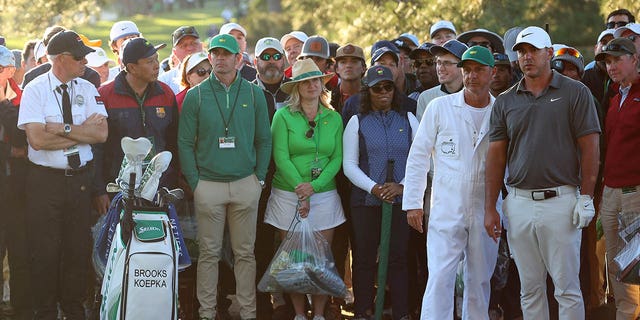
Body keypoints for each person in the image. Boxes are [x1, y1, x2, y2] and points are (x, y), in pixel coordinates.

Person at [484, 26, 600, 320]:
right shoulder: (506, 101)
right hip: (519, 202)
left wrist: (586, 196)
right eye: (522, 52)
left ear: (549, 53)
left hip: (561, 201)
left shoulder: (576, 92)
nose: (527, 57)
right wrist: (491, 207)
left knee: (566, 288)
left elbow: (590, 148)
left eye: (533, 50)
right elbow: (496, 157)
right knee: (530, 288)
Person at [178, 34, 271, 320]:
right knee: (208, 254)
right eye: (215, 53)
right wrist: (196, 183)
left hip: (246, 183)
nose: (219, 58)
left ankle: (248, 312)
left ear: (238, 59)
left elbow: (264, 140)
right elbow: (184, 142)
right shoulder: (196, 95)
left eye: (225, 53)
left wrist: (259, 180)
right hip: (209, 185)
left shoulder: (254, 94)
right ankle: (206, 313)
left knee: (245, 254)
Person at [17, 30, 108, 320]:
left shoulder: (87, 87)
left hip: (80, 180)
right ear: (61, 59)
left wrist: (61, 128)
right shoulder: (35, 89)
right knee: (44, 252)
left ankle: (73, 311)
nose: (86, 62)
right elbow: (37, 140)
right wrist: (83, 135)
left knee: (77, 249)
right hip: (45, 182)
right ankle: (44, 312)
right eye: (80, 57)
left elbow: (102, 133)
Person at [403, 46, 499, 319]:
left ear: (492, 72)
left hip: (486, 203)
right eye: (467, 70)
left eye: (479, 70)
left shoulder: (502, 110)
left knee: (479, 279)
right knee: (440, 277)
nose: (472, 76)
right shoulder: (439, 107)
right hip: (446, 204)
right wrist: (413, 203)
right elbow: (418, 156)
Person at [264, 58, 344, 320]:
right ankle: (299, 313)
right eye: (305, 81)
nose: (312, 85)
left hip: (324, 195)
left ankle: (319, 313)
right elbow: (280, 157)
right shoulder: (283, 116)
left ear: (323, 85)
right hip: (288, 195)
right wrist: (301, 189)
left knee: (320, 258)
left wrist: (315, 186)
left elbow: (337, 159)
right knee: (294, 259)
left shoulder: (333, 118)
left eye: (316, 80)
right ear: (296, 87)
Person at [343, 65, 417, 320]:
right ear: (368, 91)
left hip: (400, 200)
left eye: (388, 87)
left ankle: (401, 312)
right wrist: (373, 187)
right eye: (377, 88)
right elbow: (349, 165)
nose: (383, 92)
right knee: (363, 258)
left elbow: (421, 159)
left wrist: (402, 186)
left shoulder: (408, 118)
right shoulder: (357, 121)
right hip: (365, 201)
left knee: (398, 257)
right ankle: (362, 311)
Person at [93, 37, 178, 214]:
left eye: (156, 59)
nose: (157, 65)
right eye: (149, 61)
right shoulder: (105, 95)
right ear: (131, 67)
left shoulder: (167, 93)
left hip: (160, 185)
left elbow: (173, 141)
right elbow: (97, 149)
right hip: (119, 187)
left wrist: (174, 181)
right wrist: (99, 190)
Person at [594, 37, 640, 320]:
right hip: (611, 191)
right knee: (618, 263)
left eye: (617, 60)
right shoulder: (613, 95)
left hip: (636, 190)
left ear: (635, 59)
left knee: (636, 263)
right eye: (608, 61)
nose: (611, 66)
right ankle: (626, 314)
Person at [0, 45, 32, 320]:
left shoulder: (22, 97)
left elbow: (25, 138)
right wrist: (8, 151)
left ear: (11, 70)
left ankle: (21, 309)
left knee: (21, 251)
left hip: (20, 189)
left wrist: (2, 105)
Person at [415, 39, 467, 121]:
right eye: (438, 62)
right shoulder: (426, 98)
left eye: (447, 63)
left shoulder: (475, 96)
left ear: (463, 67)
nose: (441, 68)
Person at [158, 26, 203, 93]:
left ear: (201, 46)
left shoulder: (215, 74)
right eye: (183, 45)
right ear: (175, 53)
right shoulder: (165, 81)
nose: (189, 48)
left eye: (194, 43)